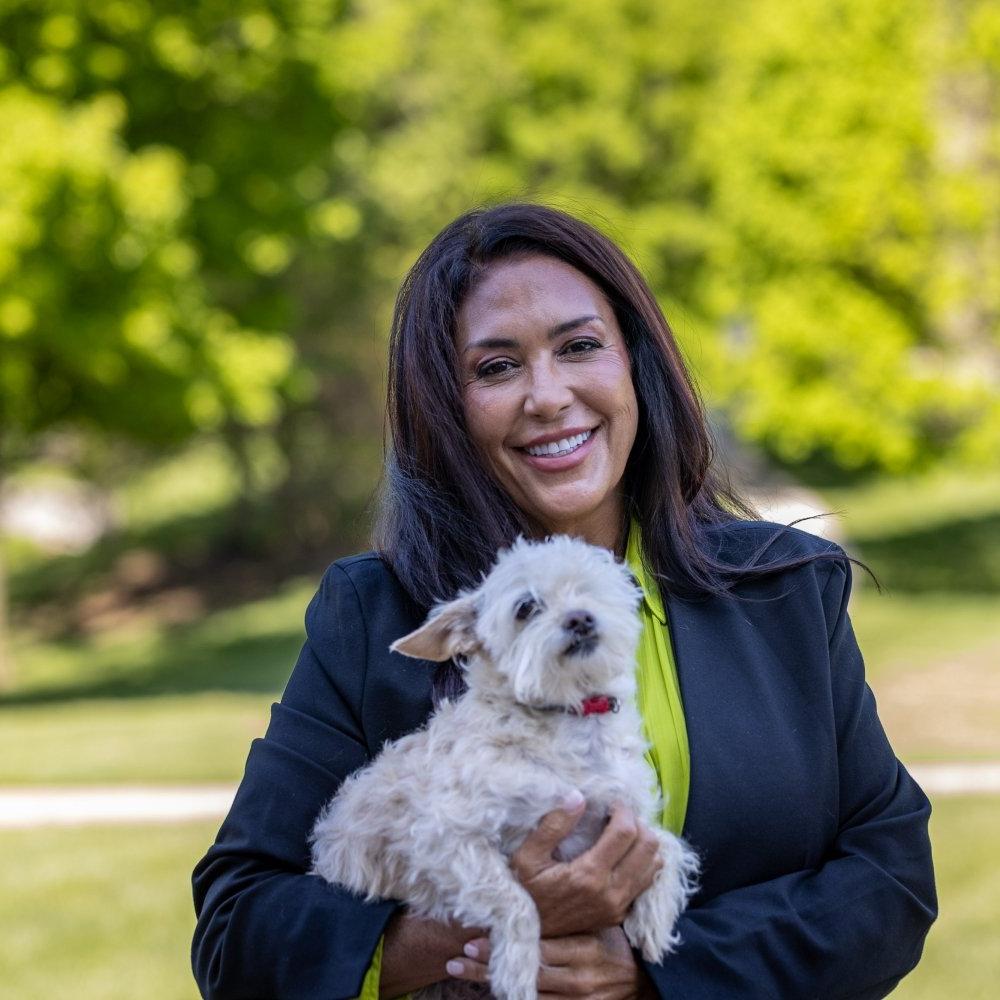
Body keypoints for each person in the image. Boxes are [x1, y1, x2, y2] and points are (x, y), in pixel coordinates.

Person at [191, 203, 937, 999]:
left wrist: (656, 977)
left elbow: (888, 882)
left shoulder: (789, 589)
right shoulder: (371, 615)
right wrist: (483, 928)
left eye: (579, 347)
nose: (547, 397)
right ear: (446, 406)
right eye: (496, 367)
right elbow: (239, 930)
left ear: (634, 366)